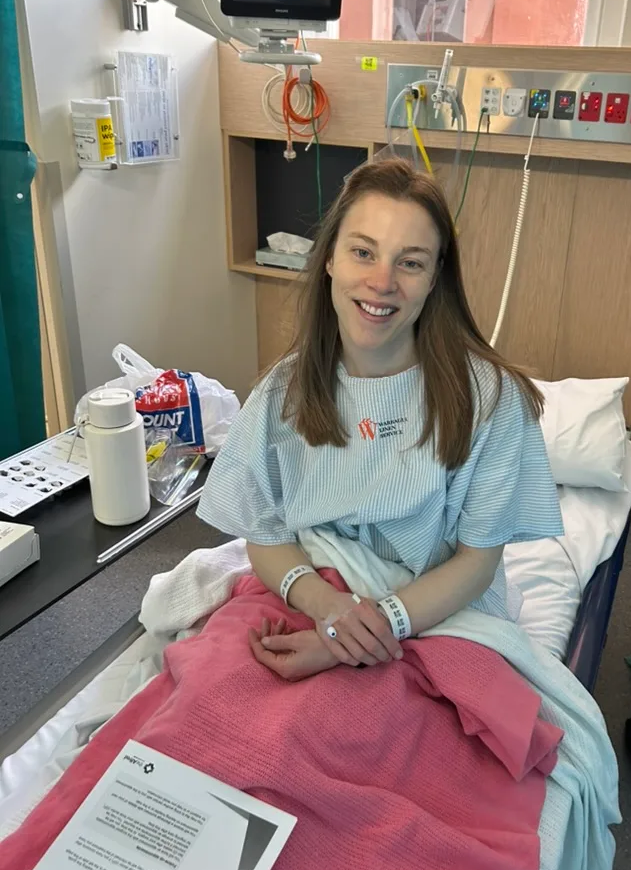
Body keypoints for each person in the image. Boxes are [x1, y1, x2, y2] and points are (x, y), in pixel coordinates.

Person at [197, 158, 563, 680]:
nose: (381, 281)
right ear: (329, 261)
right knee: (215, 696)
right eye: (363, 252)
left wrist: (374, 625)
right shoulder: (285, 392)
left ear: (437, 277)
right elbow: (265, 533)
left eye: (410, 263)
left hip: (431, 614)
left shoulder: (490, 401)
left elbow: (476, 563)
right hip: (308, 591)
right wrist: (329, 608)